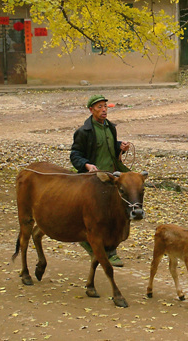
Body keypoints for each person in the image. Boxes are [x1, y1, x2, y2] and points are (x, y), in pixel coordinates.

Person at [70, 94, 131, 267]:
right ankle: (91, 245)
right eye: (99, 107)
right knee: (96, 217)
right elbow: (75, 155)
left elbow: (109, 147)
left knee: (116, 214)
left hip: (112, 178)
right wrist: (87, 165)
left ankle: (111, 251)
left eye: (105, 106)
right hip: (94, 180)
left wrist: (120, 146)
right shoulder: (83, 132)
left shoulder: (110, 128)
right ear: (91, 110)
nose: (104, 110)